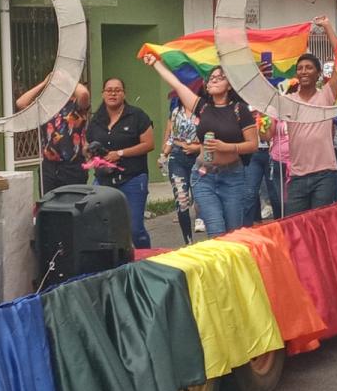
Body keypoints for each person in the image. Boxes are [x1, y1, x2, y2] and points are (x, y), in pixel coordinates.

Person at [143, 56, 258, 235]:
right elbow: (178, 85)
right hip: (204, 176)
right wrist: (156, 63)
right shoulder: (203, 107)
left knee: (233, 233)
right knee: (216, 229)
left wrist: (226, 147)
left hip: (233, 177)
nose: (213, 80)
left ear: (230, 85)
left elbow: (252, 145)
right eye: (211, 77)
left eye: (220, 77)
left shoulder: (239, 110)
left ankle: (228, 263)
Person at [85, 78, 155, 248]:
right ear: (103, 94)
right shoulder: (96, 120)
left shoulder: (137, 116)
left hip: (133, 178)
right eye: (109, 90)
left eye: (117, 90)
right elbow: (87, 146)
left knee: (135, 229)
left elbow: (149, 144)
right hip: (103, 180)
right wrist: (91, 154)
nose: (113, 93)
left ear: (124, 94)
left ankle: (145, 260)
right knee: (100, 227)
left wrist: (120, 154)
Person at [285, 17, 337, 214]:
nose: (304, 71)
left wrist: (327, 27)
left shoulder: (327, 95)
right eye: (300, 68)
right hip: (297, 176)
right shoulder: (288, 100)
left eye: (309, 68)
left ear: (319, 73)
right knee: (295, 227)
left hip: (324, 175)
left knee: (319, 226)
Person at [16, 75, 90, 194]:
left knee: (73, 207)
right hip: (49, 167)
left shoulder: (76, 105)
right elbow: (21, 103)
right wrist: (44, 83)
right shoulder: (46, 107)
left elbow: (84, 94)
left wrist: (68, 77)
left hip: (73, 167)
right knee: (48, 207)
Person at [160, 94, 200, 244]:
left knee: (201, 199)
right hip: (177, 157)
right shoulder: (176, 111)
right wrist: (164, 154)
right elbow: (172, 136)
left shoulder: (205, 111)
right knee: (182, 199)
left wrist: (197, 148)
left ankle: (204, 225)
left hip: (200, 158)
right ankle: (188, 242)